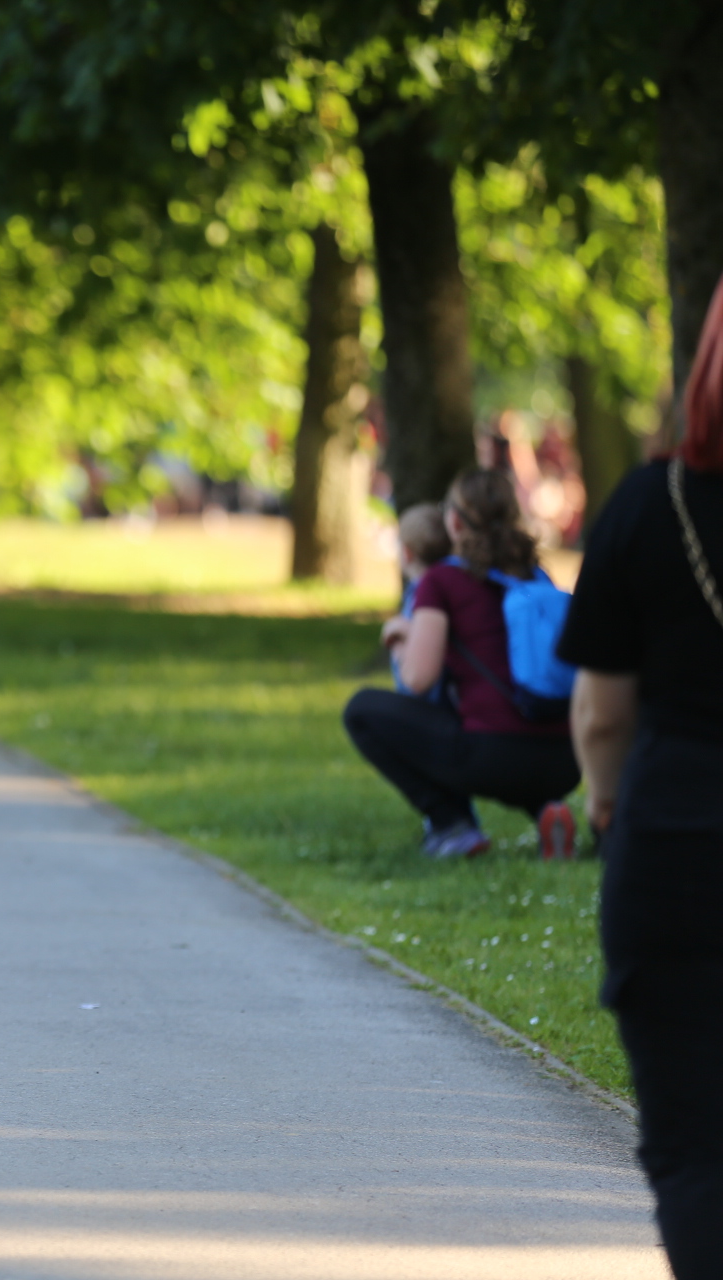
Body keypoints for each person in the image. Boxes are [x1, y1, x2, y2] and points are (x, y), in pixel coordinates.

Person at [559, 277, 723, 1278]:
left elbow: (601, 710)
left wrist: (605, 794)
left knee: (698, 1143)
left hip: (680, 835)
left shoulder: (651, 505)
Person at [343, 468, 580, 858]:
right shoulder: (536, 576)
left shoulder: (442, 581)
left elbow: (418, 679)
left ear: (454, 521)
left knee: (362, 710)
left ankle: (451, 824)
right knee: (507, 726)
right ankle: (547, 809)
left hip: (493, 755)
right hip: (564, 759)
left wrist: (401, 637)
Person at [391, 501, 452, 695]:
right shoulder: (454, 585)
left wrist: (396, 639)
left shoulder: (421, 593)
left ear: (407, 553)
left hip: (425, 697)